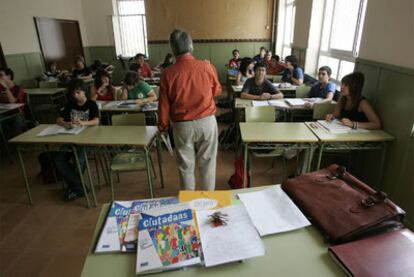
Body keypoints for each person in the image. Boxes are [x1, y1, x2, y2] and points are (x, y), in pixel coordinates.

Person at [158, 29, 222, 191]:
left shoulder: (167, 73)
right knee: (208, 165)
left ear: (172, 48)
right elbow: (217, 91)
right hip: (207, 122)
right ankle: (208, 204)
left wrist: (163, 126)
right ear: (191, 45)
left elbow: (164, 105)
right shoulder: (206, 67)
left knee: (186, 168)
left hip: (182, 126)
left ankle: (189, 205)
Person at [54, 79, 100, 201]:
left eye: (78, 92)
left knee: (79, 160)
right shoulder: (70, 104)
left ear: (84, 91)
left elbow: (96, 121)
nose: (75, 95)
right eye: (73, 93)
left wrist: (83, 122)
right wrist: (66, 124)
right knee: (59, 159)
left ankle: (74, 188)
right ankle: (79, 188)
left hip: (87, 140)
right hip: (71, 138)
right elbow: (58, 119)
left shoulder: (91, 104)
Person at [0, 67, 27, 133]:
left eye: (1, 75)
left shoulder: (18, 88)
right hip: (4, 114)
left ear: (9, 77)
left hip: (17, 114)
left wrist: (5, 87)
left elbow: (12, 101)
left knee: (16, 121)